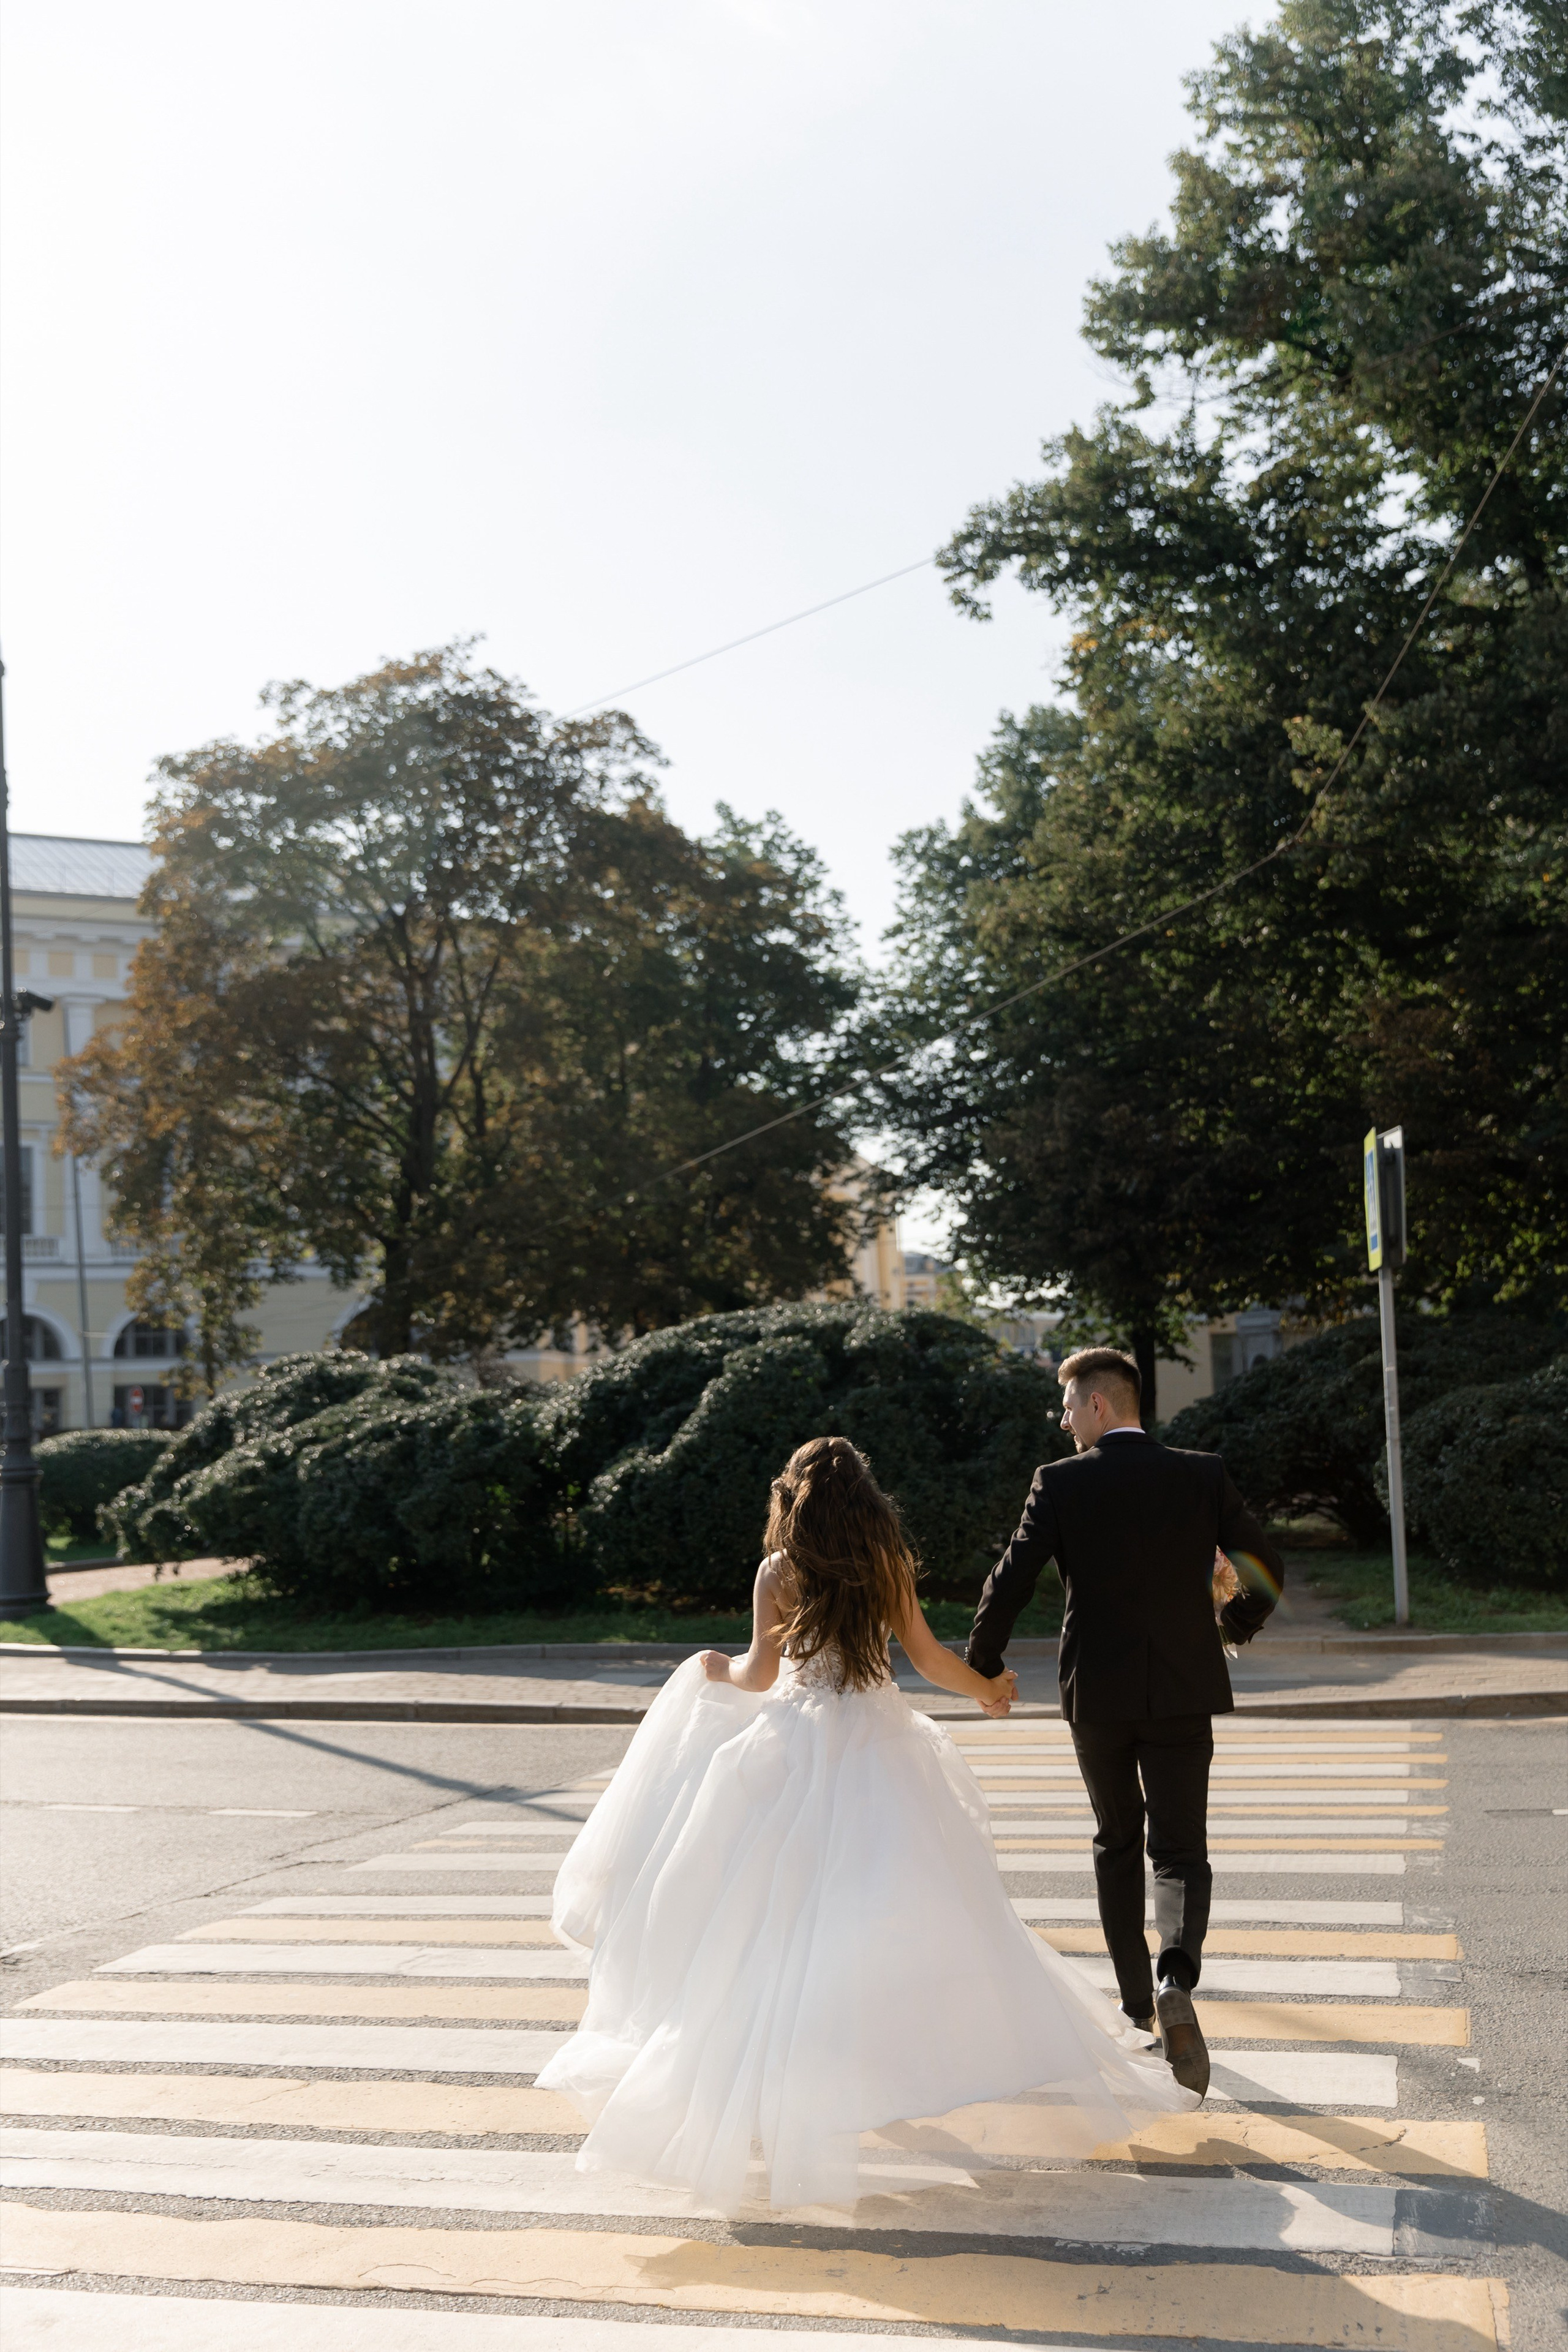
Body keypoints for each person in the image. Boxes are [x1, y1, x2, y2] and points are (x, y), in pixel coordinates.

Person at [537, 1433, 1199, 2217]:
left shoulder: (777, 1573)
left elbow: (758, 1674)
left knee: (767, 1929)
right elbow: (924, 1658)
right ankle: (895, 2069)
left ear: (793, 1496)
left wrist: (711, 1669)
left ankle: (782, 2086)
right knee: (910, 1923)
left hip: (788, 1751)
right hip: (883, 1750)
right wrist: (988, 1687)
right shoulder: (887, 1564)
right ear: (866, 1497)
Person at [966, 1345, 1285, 2095]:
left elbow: (1011, 1577)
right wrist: (1233, 1623)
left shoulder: (1061, 1482)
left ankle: (1139, 2005)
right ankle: (1177, 1976)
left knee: (1116, 1842)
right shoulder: (1201, 1473)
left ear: (1100, 1406)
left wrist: (982, 1664)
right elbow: (1265, 1562)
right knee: (1179, 1849)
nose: (1063, 1418)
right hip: (1182, 1688)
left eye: (1069, 1405)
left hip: (1098, 1698)